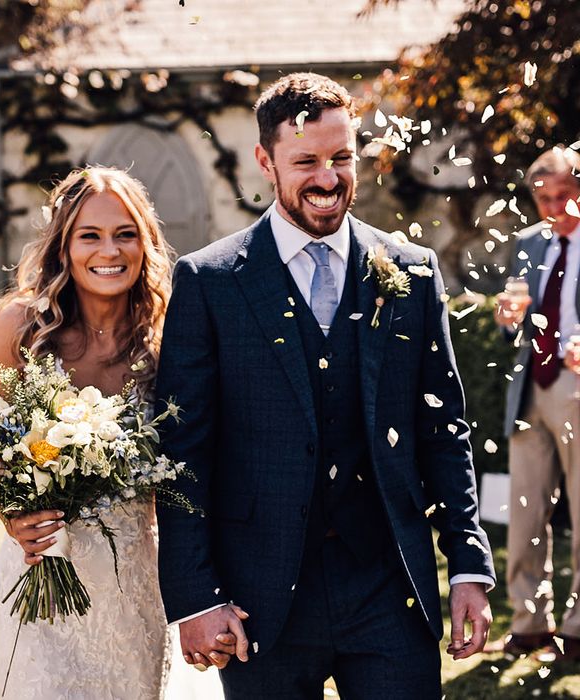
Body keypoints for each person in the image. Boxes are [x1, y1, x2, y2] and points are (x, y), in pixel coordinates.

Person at [155, 73, 496, 699]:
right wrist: (196, 597)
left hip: (388, 586)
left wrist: (470, 565)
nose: (328, 178)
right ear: (265, 160)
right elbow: (183, 454)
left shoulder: (413, 273)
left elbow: (443, 429)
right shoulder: (209, 282)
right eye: (305, 161)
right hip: (260, 596)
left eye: (342, 157)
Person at [0, 166, 212, 699]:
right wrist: (13, 515)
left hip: (137, 577)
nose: (110, 250)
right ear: (64, 245)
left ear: (145, 243)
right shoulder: (21, 323)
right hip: (42, 568)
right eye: (91, 235)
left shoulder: (169, 330)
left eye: (125, 234)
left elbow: (198, 453)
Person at [490, 146, 580, 659]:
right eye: (543, 199)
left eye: (563, 196)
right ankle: (529, 622)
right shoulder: (527, 243)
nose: (553, 208)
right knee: (524, 512)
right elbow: (514, 329)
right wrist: (506, 319)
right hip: (531, 388)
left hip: (577, 388)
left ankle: (578, 628)